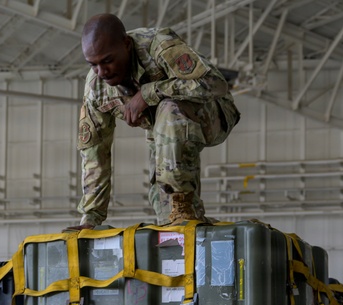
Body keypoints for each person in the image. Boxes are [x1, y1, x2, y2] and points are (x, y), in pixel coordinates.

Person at [74, 13, 240, 229]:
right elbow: (94, 155)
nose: (102, 71)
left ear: (126, 44)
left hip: (214, 112)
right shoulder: (95, 88)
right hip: (162, 132)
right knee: (170, 220)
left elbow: (215, 84)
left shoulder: (158, 45)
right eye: (93, 64)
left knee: (169, 109)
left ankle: (182, 202)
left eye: (107, 61)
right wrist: (91, 218)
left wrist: (148, 93)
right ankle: (189, 218)